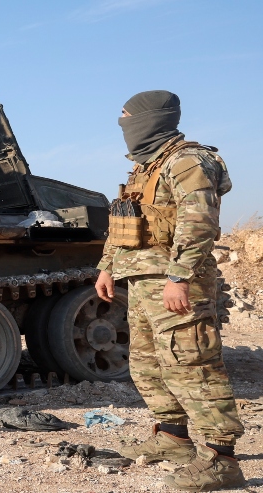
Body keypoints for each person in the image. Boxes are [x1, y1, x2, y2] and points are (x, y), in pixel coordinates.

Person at [94, 91, 244, 491]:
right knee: (148, 365)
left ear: (151, 119)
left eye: (126, 117)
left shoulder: (188, 161)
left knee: (192, 365)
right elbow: (125, 221)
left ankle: (221, 459)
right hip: (141, 280)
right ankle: (174, 438)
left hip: (175, 281)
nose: (122, 124)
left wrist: (180, 277)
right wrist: (106, 268)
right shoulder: (145, 167)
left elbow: (199, 224)